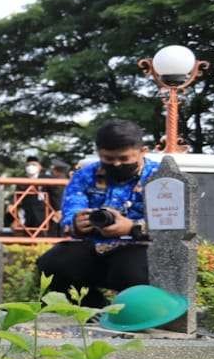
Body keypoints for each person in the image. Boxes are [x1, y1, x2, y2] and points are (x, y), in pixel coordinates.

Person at [35, 120, 155, 307]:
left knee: (131, 270)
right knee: (52, 263)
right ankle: (93, 308)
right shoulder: (85, 175)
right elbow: (71, 209)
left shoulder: (159, 176)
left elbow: (172, 224)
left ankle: (135, 312)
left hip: (137, 247)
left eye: (124, 159)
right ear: (99, 152)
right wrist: (76, 222)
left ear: (142, 151)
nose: (116, 164)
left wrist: (132, 227)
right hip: (92, 245)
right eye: (108, 158)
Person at [16, 153, 50, 233]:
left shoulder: (46, 179)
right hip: (27, 214)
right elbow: (17, 197)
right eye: (28, 165)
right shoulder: (21, 181)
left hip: (43, 214)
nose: (31, 167)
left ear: (40, 167)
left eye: (34, 165)